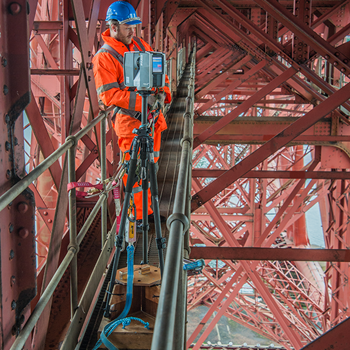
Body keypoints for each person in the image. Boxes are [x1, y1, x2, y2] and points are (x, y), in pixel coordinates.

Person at [92, 1, 171, 229]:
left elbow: (159, 70)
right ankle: (138, 217)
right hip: (129, 121)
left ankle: (148, 210)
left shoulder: (138, 43)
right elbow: (108, 96)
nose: (132, 30)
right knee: (134, 169)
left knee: (151, 164)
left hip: (151, 117)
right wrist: (144, 101)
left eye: (134, 26)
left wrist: (163, 95)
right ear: (113, 26)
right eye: (128, 26)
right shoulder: (104, 57)